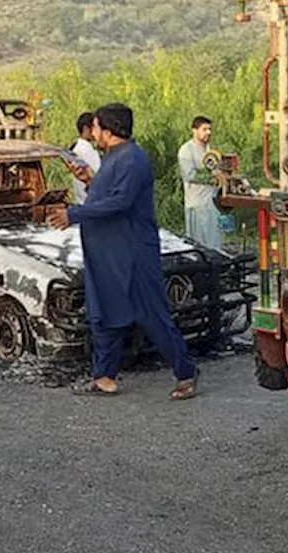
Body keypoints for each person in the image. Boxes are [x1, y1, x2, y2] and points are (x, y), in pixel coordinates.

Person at [49, 103, 198, 399]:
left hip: (132, 255)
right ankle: (104, 377)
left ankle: (186, 372)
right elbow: (107, 194)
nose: (93, 133)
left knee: (152, 314)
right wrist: (89, 180)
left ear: (108, 130)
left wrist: (74, 214)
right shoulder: (114, 159)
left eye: (95, 127)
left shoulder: (133, 160)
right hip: (108, 254)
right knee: (104, 313)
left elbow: (120, 202)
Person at [177, 116, 223, 250]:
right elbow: (189, 175)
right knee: (198, 244)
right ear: (194, 130)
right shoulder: (186, 150)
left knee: (214, 242)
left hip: (213, 203)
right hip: (196, 204)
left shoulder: (210, 150)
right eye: (204, 129)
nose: (208, 132)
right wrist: (212, 178)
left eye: (210, 129)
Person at [69, 112, 103, 204]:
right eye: (94, 127)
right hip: (91, 200)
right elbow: (98, 174)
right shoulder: (86, 150)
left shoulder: (77, 148)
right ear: (86, 129)